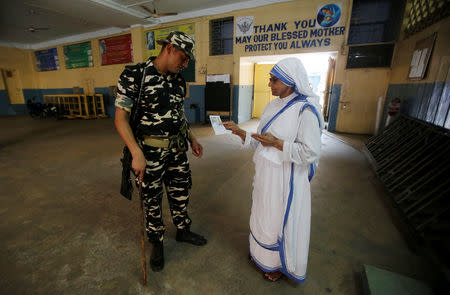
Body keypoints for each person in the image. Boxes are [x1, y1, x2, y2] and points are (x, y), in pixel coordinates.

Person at [223, 57, 324, 282]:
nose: (270, 84)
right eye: (270, 80)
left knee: (280, 221)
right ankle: (261, 254)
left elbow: (310, 152)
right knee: (263, 215)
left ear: (290, 81)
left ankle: (279, 264)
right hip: (265, 176)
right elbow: (261, 140)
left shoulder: (304, 111)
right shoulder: (272, 106)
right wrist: (239, 131)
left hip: (285, 179)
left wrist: (278, 143)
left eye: (274, 80)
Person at [114, 31, 207, 272]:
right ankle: (157, 242)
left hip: (177, 150)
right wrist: (136, 152)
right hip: (149, 152)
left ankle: (183, 230)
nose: (185, 64)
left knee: (181, 192)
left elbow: (179, 114)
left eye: (188, 60)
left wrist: (192, 137)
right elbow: (121, 119)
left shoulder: (178, 80)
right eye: (184, 58)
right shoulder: (136, 75)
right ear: (169, 49)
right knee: (152, 200)